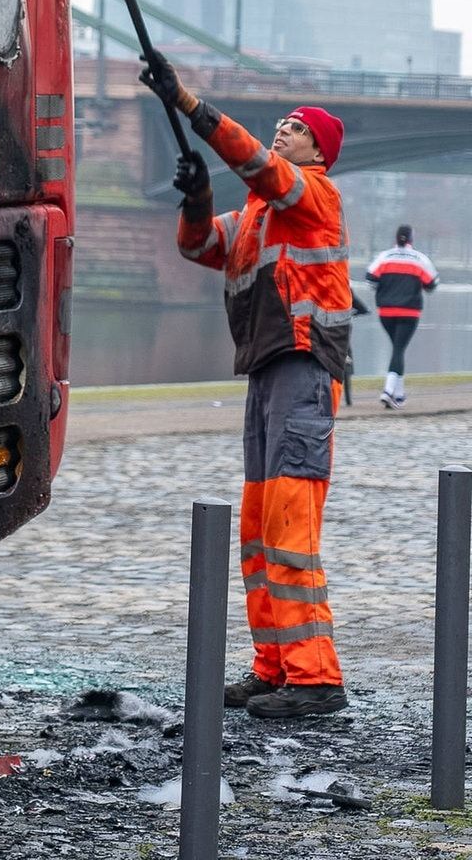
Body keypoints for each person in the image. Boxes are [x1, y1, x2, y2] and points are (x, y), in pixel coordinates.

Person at [141, 54, 350, 720]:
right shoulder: (257, 216)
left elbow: (260, 164)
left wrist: (190, 106)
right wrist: (197, 199)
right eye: (282, 125)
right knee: (261, 533)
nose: (282, 132)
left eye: (294, 127)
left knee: (291, 527)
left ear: (317, 151)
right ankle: (276, 668)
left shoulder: (313, 195)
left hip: (304, 365)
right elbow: (200, 246)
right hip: (266, 370)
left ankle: (317, 681)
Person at [365, 225, 439, 409]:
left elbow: (370, 279)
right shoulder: (420, 259)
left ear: (396, 238)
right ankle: (388, 391)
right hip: (409, 312)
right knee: (399, 350)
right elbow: (432, 284)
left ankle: (399, 396)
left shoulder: (384, 257)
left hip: (386, 312)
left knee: (398, 349)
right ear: (412, 239)